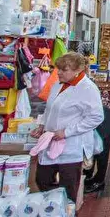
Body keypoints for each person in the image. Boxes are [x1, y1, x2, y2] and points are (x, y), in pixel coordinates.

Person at [31, 52, 104, 203]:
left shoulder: (88, 89)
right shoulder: (57, 85)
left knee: (68, 185)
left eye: (64, 70)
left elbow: (96, 117)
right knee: (42, 179)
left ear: (77, 70)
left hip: (72, 145)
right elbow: (50, 108)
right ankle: (53, 206)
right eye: (59, 69)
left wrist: (66, 132)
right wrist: (42, 125)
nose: (59, 73)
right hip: (51, 141)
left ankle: (65, 216)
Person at [83, 105, 110, 195]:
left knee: (102, 154)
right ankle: (90, 177)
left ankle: (99, 182)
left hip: (104, 123)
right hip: (96, 124)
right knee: (93, 151)